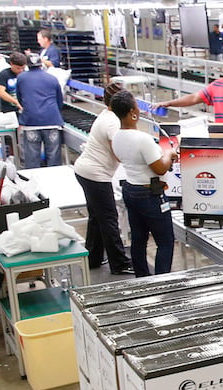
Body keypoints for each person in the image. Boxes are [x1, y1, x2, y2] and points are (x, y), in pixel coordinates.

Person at [110, 90, 177, 277]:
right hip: (150, 194)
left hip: (130, 190)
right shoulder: (142, 139)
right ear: (133, 111)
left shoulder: (116, 136)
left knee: (139, 239)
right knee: (165, 241)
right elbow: (160, 169)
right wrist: (169, 155)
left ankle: (143, 279)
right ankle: (162, 281)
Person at [73, 83, 133, 276]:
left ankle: (93, 256)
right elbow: (120, 152)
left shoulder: (107, 116)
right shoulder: (112, 122)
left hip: (86, 172)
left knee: (97, 217)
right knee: (108, 218)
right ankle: (120, 263)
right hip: (95, 175)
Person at [16, 54, 64, 168]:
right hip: (52, 121)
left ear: (27, 65)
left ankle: (34, 183)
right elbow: (59, 100)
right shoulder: (52, 78)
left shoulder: (21, 78)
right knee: (54, 160)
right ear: (40, 64)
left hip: (31, 122)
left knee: (32, 160)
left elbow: (20, 98)